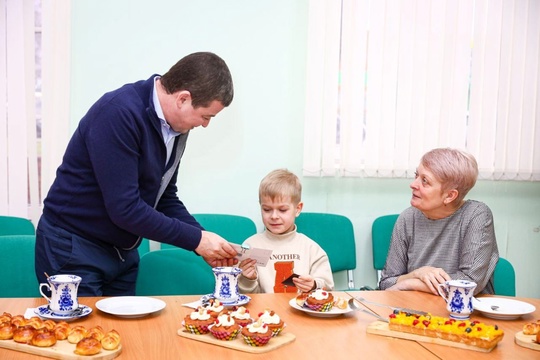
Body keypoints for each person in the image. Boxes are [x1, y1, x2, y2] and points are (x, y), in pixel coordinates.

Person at [35, 52, 238, 296]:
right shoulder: (118, 114)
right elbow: (126, 209)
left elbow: (164, 198)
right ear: (183, 98)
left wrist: (204, 239)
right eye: (206, 116)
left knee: (122, 333)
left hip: (122, 250)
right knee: (83, 333)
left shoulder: (176, 127)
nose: (205, 125)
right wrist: (196, 240)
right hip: (74, 246)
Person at [379, 148, 499, 295]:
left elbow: (468, 283)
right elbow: (387, 283)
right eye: (416, 175)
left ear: (449, 196)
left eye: (425, 181)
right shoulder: (408, 218)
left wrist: (411, 283)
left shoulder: (477, 215)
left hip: (466, 314)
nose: (413, 184)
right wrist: (417, 274)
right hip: (416, 311)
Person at [238, 169, 334, 293]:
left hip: (301, 311)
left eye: (282, 210)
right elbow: (244, 298)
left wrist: (314, 285)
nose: (274, 216)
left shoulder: (310, 248)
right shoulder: (250, 247)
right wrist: (247, 280)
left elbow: (329, 289)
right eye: (267, 209)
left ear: (298, 209)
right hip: (263, 311)